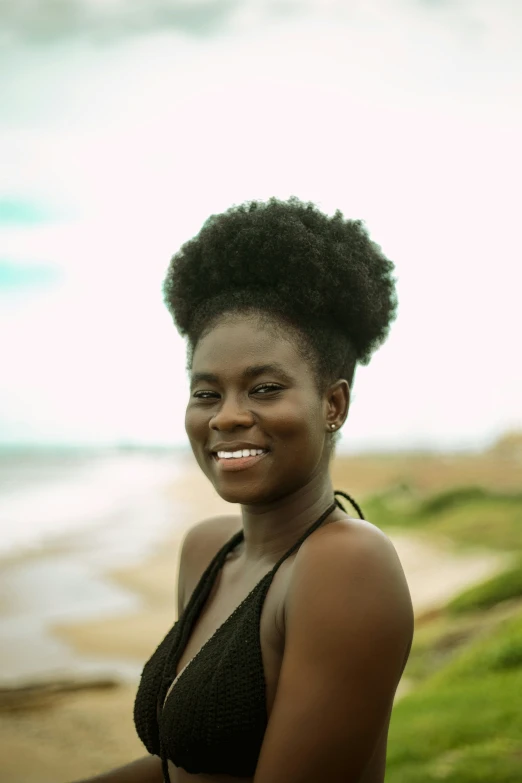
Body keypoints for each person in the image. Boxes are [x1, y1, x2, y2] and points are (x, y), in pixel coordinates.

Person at [79, 196, 413, 783]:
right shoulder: (208, 549)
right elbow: (179, 770)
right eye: (207, 393)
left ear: (332, 404)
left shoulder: (346, 564)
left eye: (263, 389)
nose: (226, 417)